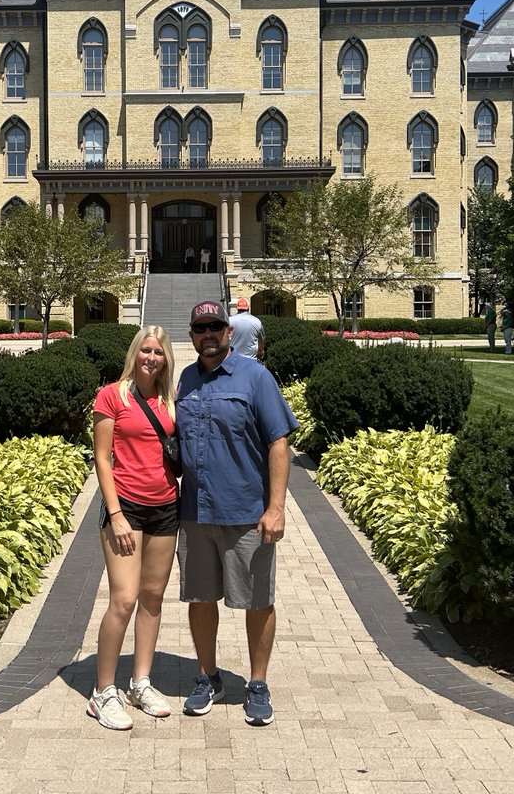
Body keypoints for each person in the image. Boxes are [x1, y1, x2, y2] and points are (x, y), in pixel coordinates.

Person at [177, 300, 297, 727]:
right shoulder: (186, 379)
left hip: (246, 511)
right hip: (194, 511)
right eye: (199, 328)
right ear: (192, 335)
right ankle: (207, 676)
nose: (207, 334)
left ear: (229, 332)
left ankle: (258, 682)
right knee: (199, 598)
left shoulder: (256, 376)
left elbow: (278, 440)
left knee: (257, 600)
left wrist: (276, 507)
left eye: (215, 327)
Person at [89, 326, 179, 730]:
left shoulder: (170, 400)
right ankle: (102, 692)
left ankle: (140, 682)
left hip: (166, 508)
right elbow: (102, 459)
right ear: (134, 353)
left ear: (166, 358)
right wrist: (116, 514)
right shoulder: (113, 395)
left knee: (153, 597)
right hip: (125, 508)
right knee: (124, 599)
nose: (151, 358)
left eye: (158, 352)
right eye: (145, 350)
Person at [229, 296, 264, 362]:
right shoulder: (256, 321)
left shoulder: (229, 321)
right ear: (248, 307)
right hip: (250, 360)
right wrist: (260, 353)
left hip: (233, 360)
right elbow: (261, 341)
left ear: (237, 308)